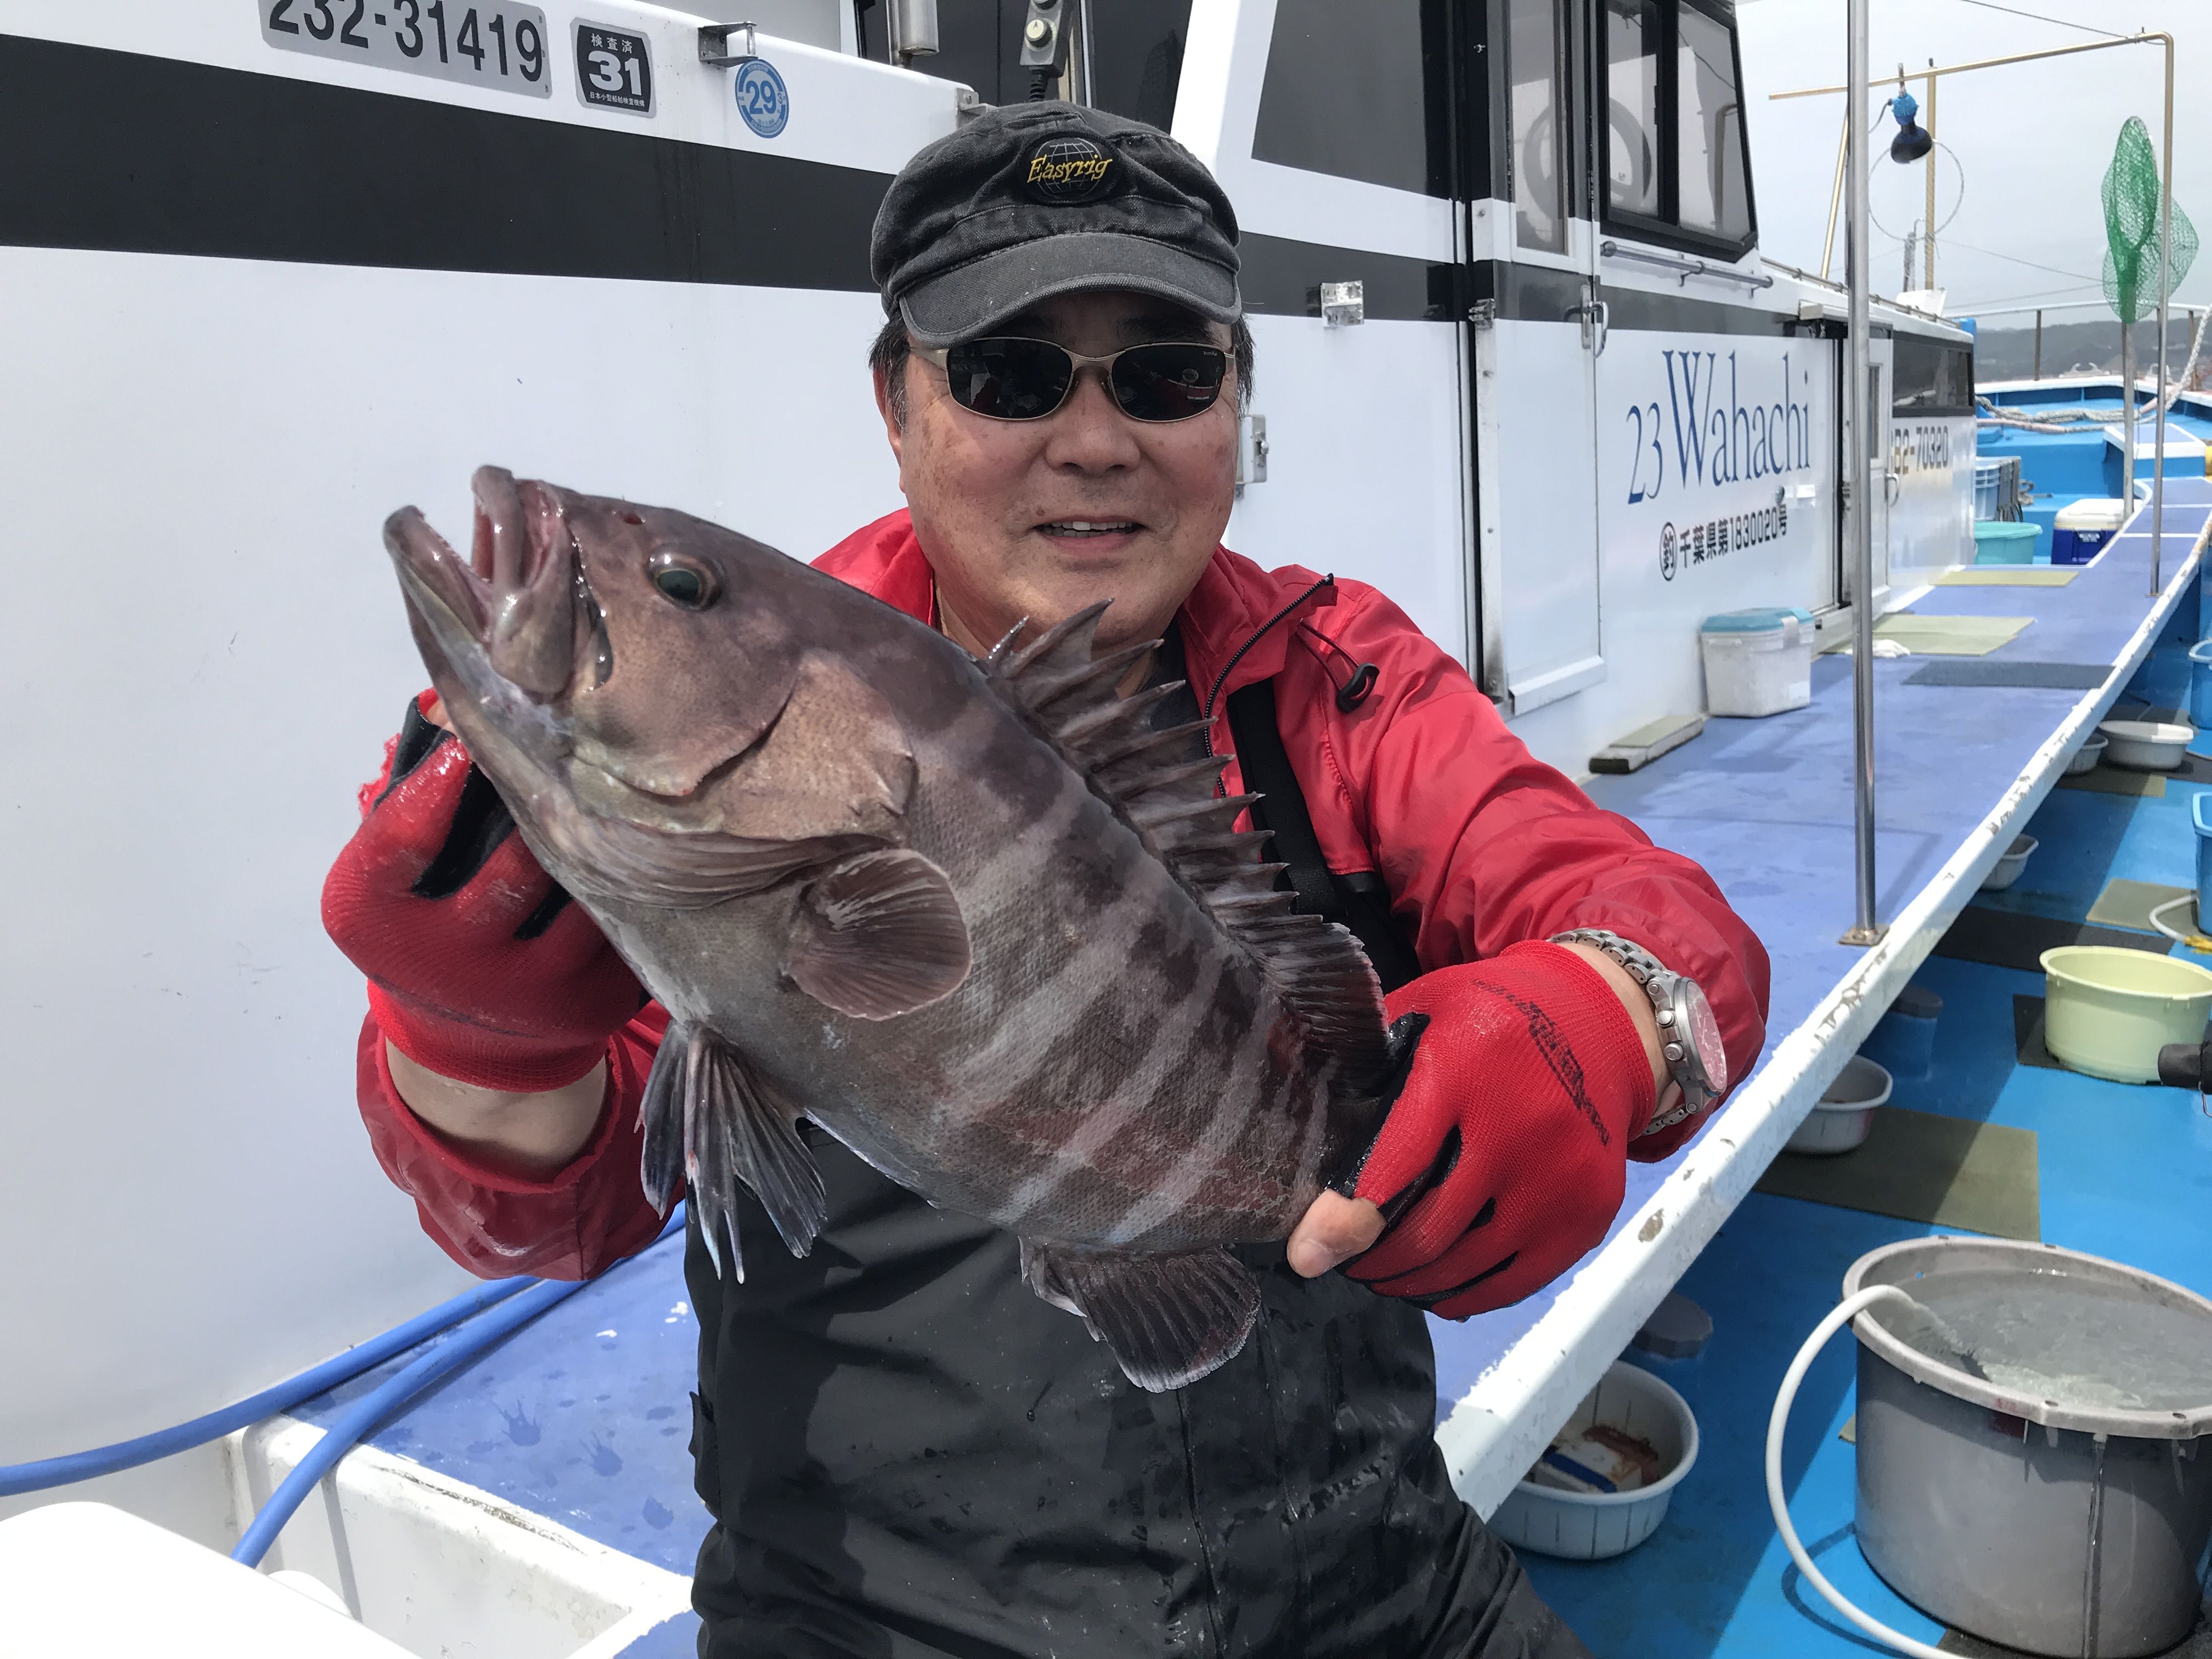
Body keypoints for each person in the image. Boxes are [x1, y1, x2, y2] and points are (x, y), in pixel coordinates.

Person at [324, 103, 1769, 1659]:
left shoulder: (1340, 678)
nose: (1094, 440)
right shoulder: (784, 721)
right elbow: (561, 1215)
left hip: (1380, 1593)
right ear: (896, 404)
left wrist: (1604, 1020)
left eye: (1167, 373)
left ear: (1236, 403)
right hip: (874, 1628)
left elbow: (1679, 939)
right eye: (1011, 374)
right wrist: (473, 1040)